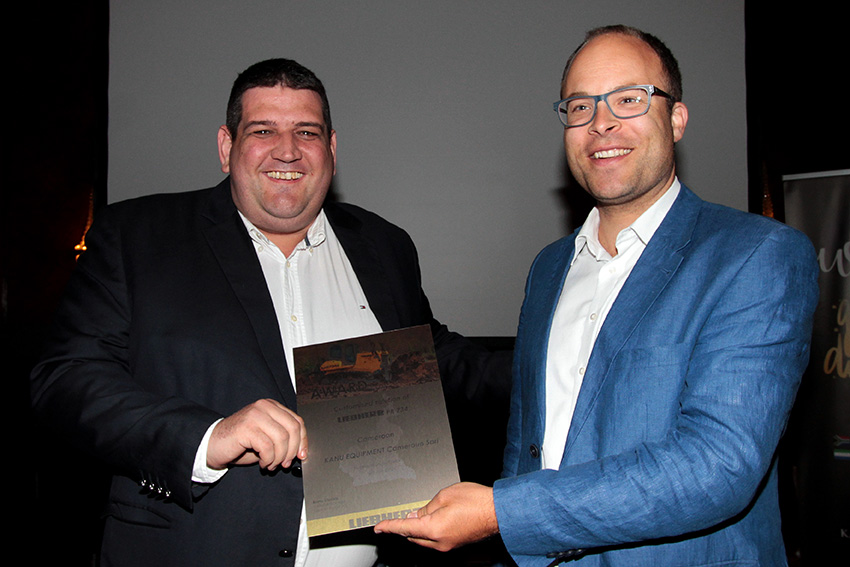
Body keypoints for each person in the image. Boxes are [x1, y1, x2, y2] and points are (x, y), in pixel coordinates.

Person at [30, 58, 507, 567]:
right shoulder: (138, 236)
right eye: (263, 130)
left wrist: (550, 365)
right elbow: (65, 380)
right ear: (226, 146)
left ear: (332, 149)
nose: (287, 149)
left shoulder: (384, 245)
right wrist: (207, 436)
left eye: (307, 131)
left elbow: (430, 356)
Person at [375, 25, 819, 565]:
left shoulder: (756, 256)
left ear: (676, 119)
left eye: (629, 99)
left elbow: (717, 466)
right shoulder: (549, 267)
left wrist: (501, 513)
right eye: (581, 106)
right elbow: (526, 445)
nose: (601, 123)